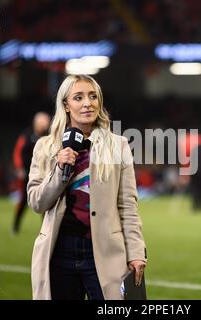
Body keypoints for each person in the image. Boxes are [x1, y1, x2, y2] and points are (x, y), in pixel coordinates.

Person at [27, 74, 147, 300]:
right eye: (78, 97)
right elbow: (37, 202)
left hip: (104, 251)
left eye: (93, 96)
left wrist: (136, 252)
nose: (87, 103)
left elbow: (128, 206)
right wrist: (60, 169)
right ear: (66, 105)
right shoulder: (45, 147)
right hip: (59, 252)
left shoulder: (118, 145)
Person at [12, 112, 50, 234]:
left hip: (45, 173)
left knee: (46, 200)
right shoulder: (27, 136)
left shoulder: (50, 136)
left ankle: (45, 229)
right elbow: (17, 152)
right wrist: (19, 169)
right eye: (43, 122)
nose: (45, 125)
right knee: (23, 201)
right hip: (27, 174)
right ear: (36, 123)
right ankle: (15, 226)